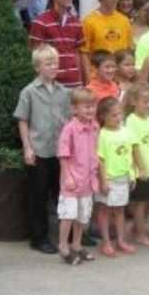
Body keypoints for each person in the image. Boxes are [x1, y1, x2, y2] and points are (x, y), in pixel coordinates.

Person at [14, 45, 71, 254]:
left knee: (63, 193)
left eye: (55, 63)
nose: (53, 67)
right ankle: (38, 237)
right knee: (37, 195)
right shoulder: (29, 92)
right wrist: (27, 148)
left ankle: (71, 233)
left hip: (60, 151)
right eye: (48, 64)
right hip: (39, 150)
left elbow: (68, 121)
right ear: (37, 67)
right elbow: (23, 121)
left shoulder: (63, 92)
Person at [56, 87, 99, 265]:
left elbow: (96, 151)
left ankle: (77, 244)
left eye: (92, 106)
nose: (90, 110)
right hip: (72, 181)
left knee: (82, 216)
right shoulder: (69, 129)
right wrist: (68, 177)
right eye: (85, 107)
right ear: (74, 109)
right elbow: (63, 155)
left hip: (88, 181)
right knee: (68, 215)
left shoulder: (95, 126)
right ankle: (63, 245)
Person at [94, 96, 136, 257]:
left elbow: (129, 155)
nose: (118, 118)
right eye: (113, 115)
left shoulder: (126, 132)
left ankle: (120, 240)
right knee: (105, 210)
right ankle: (106, 242)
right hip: (109, 179)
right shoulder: (102, 135)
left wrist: (131, 175)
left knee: (120, 210)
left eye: (120, 114)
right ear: (103, 116)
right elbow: (101, 159)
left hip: (123, 177)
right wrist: (103, 180)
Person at [125, 83, 149, 247]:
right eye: (144, 101)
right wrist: (141, 168)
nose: (148, 105)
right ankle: (140, 234)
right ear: (134, 101)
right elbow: (133, 146)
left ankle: (134, 228)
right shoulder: (131, 121)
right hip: (140, 170)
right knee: (140, 203)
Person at [29, 0, 85, 88]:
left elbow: (77, 54)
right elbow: (36, 56)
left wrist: (81, 81)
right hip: (51, 83)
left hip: (74, 83)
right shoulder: (40, 22)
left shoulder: (76, 22)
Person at [80, 0, 133, 78]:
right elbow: (84, 53)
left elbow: (128, 50)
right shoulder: (89, 21)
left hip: (120, 76)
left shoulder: (124, 20)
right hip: (98, 76)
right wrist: (89, 79)